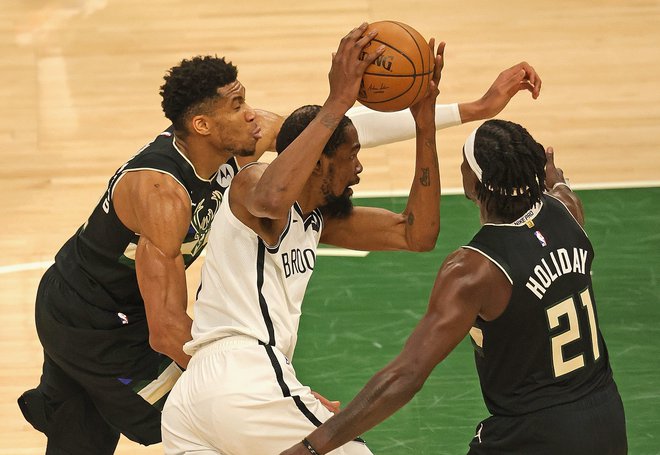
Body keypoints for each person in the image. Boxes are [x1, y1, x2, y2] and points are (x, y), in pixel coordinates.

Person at [18, 25, 541, 455]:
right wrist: (272, 389)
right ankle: (68, 396)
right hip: (94, 318)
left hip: (118, 307)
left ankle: (61, 401)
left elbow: (332, 131)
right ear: (202, 124)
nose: (253, 113)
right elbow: (166, 329)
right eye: (237, 104)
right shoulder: (161, 192)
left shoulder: (236, 141)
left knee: (82, 436)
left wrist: (469, 109)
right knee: (166, 414)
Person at [160, 21, 444, 454]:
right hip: (242, 374)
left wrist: (425, 125)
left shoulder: (315, 219)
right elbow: (272, 200)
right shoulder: (250, 184)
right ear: (317, 163)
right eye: (350, 157)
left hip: (198, 399)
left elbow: (417, 234)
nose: (358, 170)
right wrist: (339, 99)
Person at [280, 119, 628, 455]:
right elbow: (560, 188)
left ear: (473, 183)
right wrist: (555, 179)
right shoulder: (566, 211)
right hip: (607, 419)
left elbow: (407, 375)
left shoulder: (474, 270)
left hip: (534, 436)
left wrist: (313, 445)